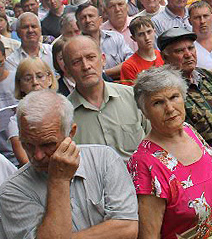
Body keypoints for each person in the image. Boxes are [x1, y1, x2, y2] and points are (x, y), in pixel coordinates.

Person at [127, 66, 212, 239]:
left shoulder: (189, 131)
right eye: (157, 102)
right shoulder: (144, 163)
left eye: (174, 97)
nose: (169, 108)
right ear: (144, 112)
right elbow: (149, 235)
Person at [0, 90, 138, 238]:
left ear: (71, 133)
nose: (37, 156)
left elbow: (128, 228)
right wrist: (59, 181)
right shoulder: (12, 191)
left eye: (48, 144)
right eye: (28, 145)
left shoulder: (104, 159)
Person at [63, 35, 149, 162]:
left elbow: (156, 141)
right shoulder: (64, 115)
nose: (86, 66)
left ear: (103, 59)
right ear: (67, 70)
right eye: (76, 62)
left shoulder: (133, 97)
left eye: (91, 57)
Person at [157, 27, 212, 158]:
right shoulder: (165, 91)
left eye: (191, 48)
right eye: (179, 51)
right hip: (203, 160)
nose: (188, 54)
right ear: (164, 57)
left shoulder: (206, 76)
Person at [7, 57, 58, 166]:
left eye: (40, 76)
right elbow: (25, 161)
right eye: (28, 78)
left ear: (49, 79)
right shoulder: (15, 121)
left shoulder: (63, 108)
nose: (35, 82)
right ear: (20, 85)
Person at [75, 2, 133, 79]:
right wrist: (116, 71)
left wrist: (104, 73)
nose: (88, 20)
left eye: (91, 16)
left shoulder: (116, 37)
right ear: (78, 24)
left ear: (100, 20)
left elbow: (130, 61)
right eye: (83, 18)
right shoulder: (75, 46)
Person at [120, 16, 164, 85]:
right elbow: (129, 92)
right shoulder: (129, 66)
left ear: (154, 32)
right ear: (133, 38)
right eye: (141, 34)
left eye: (149, 32)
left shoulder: (164, 57)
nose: (147, 38)